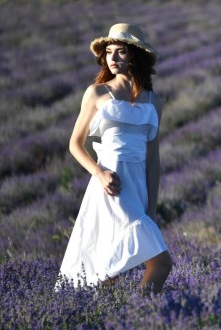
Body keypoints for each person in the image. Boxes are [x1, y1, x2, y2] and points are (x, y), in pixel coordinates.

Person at [57, 23, 173, 293]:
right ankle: (133, 316)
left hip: (138, 185)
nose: (113, 58)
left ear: (135, 56)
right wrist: (99, 173)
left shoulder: (154, 101)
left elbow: (153, 160)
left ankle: (120, 317)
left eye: (120, 52)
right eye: (109, 52)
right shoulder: (97, 93)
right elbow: (75, 144)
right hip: (112, 183)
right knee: (159, 262)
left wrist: (152, 208)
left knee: (119, 263)